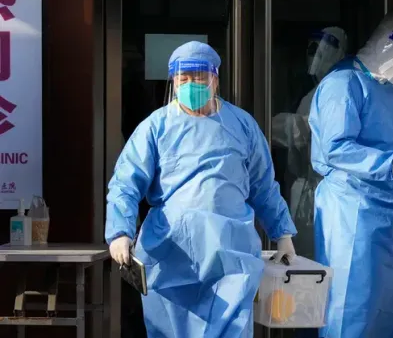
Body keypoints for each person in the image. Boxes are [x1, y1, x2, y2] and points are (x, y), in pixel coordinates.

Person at [105, 41, 297, 338]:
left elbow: (263, 186)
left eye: (199, 77)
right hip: (170, 254)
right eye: (184, 79)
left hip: (231, 255)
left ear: (215, 79)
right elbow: (125, 183)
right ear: (173, 81)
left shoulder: (242, 125)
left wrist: (281, 233)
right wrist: (120, 231)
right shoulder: (156, 127)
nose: (191, 84)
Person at [309, 8, 393, 338]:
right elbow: (336, 148)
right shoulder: (344, 84)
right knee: (350, 307)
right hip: (354, 211)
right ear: (388, 46)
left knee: (392, 309)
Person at [271, 27, 347, 257]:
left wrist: (268, 124)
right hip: (305, 189)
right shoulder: (312, 94)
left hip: (327, 190)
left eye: (323, 48)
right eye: (312, 48)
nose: (315, 55)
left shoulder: (340, 90)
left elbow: (307, 130)